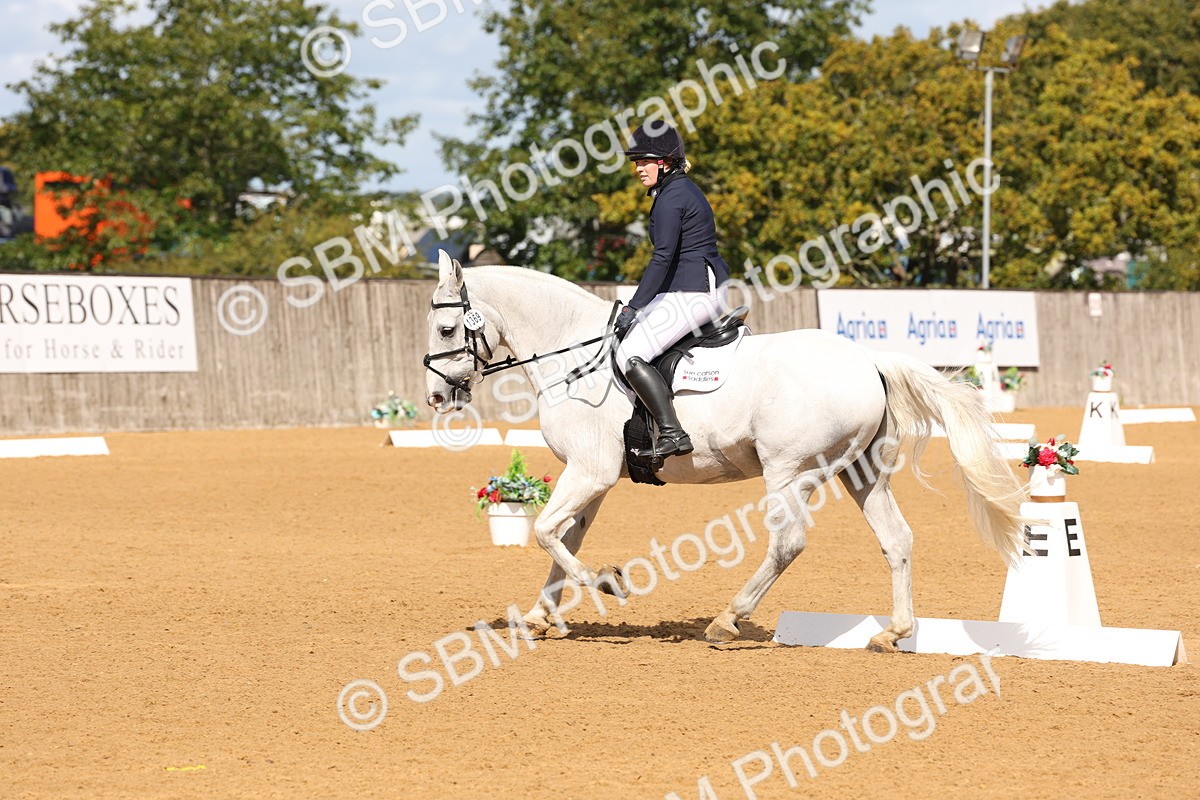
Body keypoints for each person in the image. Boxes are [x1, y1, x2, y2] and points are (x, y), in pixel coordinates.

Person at [614, 122, 731, 460]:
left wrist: (634, 307)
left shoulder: (672, 197)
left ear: (664, 162)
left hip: (692, 291)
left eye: (644, 161)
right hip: (692, 286)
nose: (638, 169)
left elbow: (662, 257)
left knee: (629, 355)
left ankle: (672, 432)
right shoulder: (679, 190)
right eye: (635, 162)